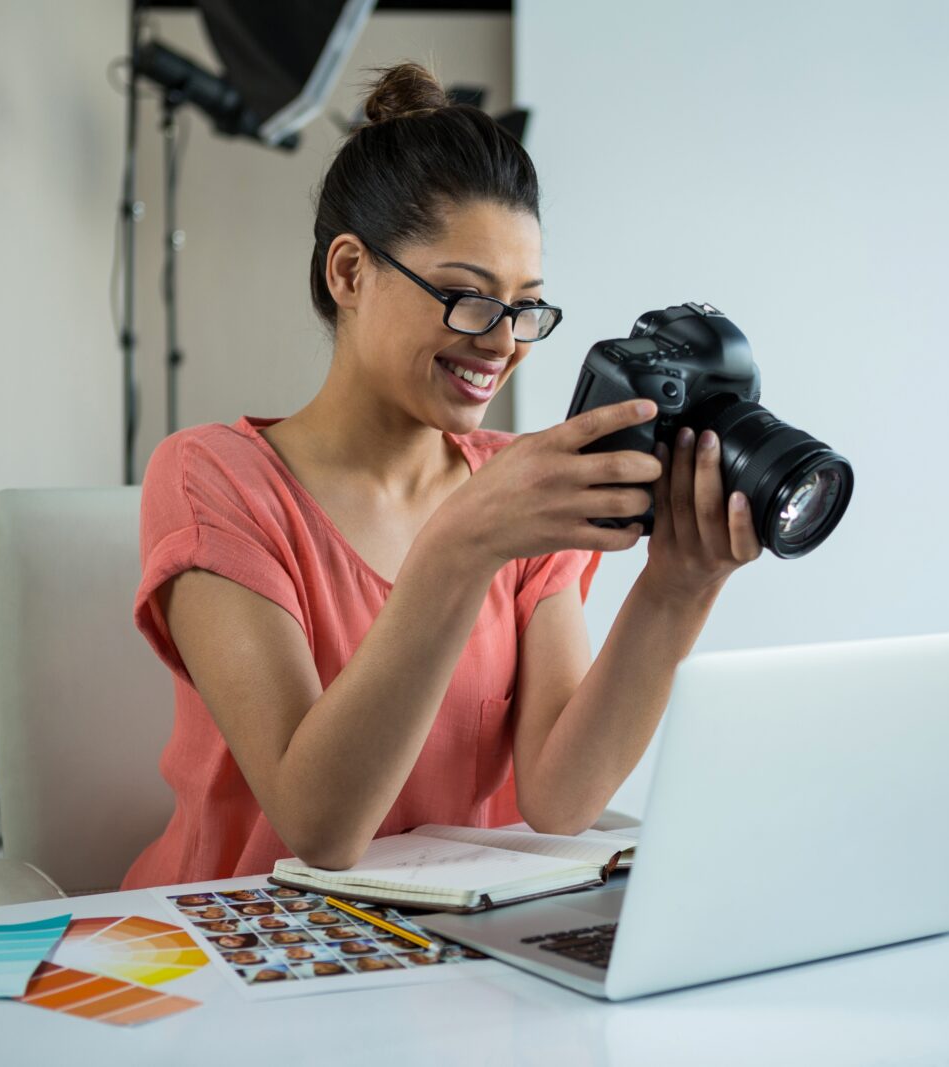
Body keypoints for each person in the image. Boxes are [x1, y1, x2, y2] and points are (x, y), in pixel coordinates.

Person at [120, 62, 759, 889]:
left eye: (526, 307)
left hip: (449, 960)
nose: (502, 342)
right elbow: (318, 825)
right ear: (349, 273)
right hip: (244, 952)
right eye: (468, 297)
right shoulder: (215, 478)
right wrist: (461, 545)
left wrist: (678, 588)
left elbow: (561, 798)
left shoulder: (516, 483)